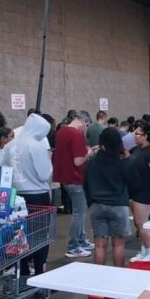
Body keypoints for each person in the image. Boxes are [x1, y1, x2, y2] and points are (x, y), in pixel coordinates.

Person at [0, 113, 53, 275]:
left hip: (16, 196)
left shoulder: (10, 146)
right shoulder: (37, 146)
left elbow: (1, 168)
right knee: (40, 235)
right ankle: (39, 270)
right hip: (38, 195)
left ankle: (22, 270)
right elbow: (44, 174)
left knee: (20, 234)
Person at [83, 128, 130, 267]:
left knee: (99, 244)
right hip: (119, 204)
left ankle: (99, 275)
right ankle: (119, 273)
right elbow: (131, 181)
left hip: (97, 204)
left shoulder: (93, 161)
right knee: (118, 243)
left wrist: (90, 201)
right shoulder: (122, 162)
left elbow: (85, 183)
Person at [53, 110, 96, 258]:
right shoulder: (76, 134)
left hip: (64, 177)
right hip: (75, 177)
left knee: (80, 212)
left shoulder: (61, 132)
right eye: (86, 125)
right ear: (83, 121)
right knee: (79, 213)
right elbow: (78, 161)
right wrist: (88, 154)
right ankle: (73, 246)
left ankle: (81, 240)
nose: (85, 128)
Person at [126, 122, 150, 262]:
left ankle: (149, 252)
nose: (134, 136)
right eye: (134, 133)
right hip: (134, 191)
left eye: (137, 134)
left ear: (146, 136)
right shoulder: (137, 149)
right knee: (139, 223)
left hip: (145, 192)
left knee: (142, 223)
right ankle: (144, 250)